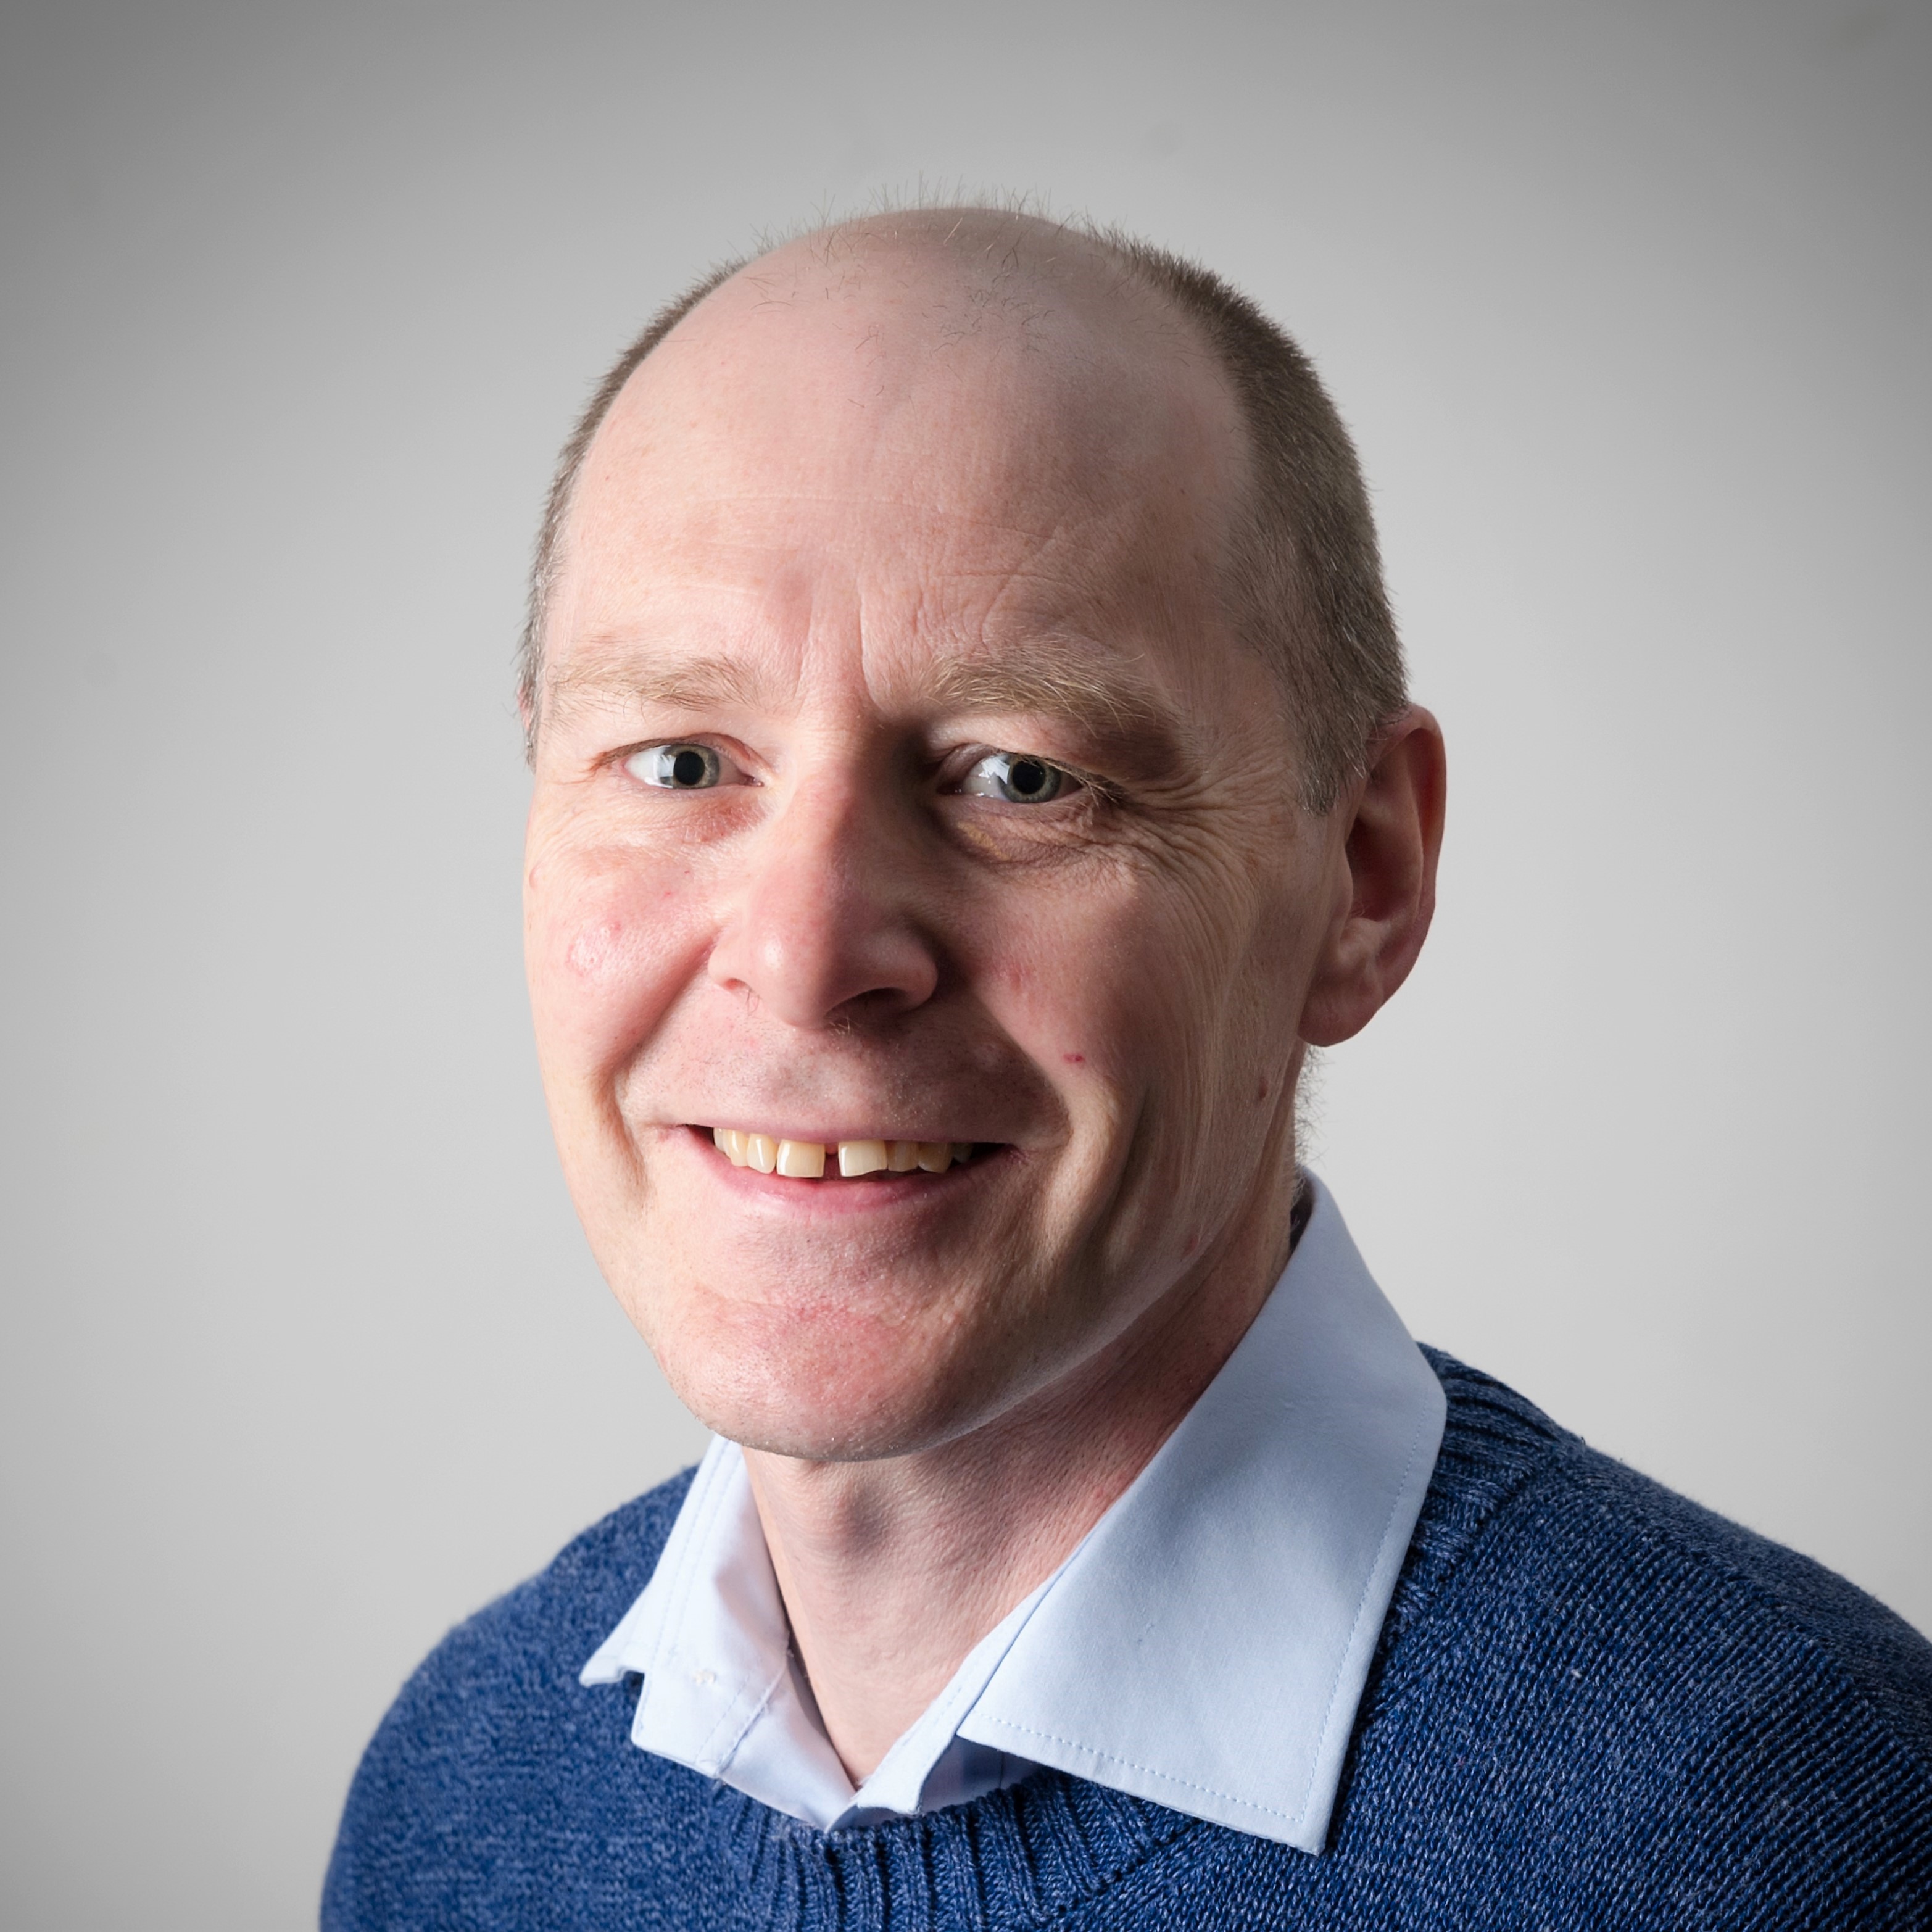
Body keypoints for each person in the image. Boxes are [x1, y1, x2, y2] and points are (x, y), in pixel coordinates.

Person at [325, 209, 1932, 1929]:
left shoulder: (1785, 1838)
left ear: (1364, 875)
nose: (802, 958)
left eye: (1021, 776)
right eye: (680, 760)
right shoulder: (465, 1791)